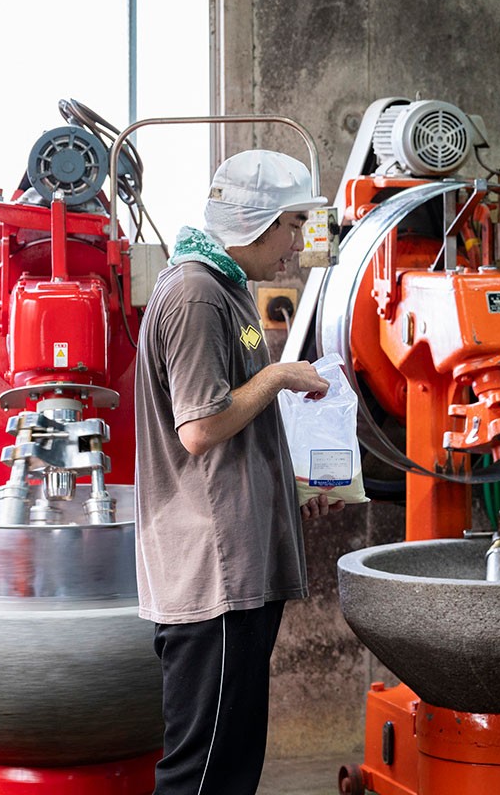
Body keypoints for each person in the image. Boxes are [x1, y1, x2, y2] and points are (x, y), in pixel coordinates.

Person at [134, 149, 345, 794]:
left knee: (232, 766)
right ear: (257, 222)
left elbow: (234, 419)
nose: (296, 244)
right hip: (212, 572)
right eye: (291, 226)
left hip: (239, 565)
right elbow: (200, 428)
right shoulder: (196, 294)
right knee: (201, 774)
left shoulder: (227, 288)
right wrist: (278, 376)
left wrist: (287, 491)